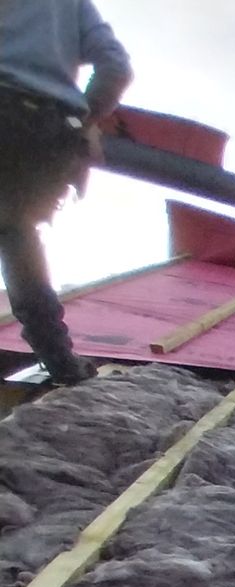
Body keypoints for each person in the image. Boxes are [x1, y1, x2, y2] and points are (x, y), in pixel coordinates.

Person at [0, 0, 131, 384]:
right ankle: (60, 361)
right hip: (49, 130)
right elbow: (115, 67)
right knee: (18, 234)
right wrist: (84, 120)